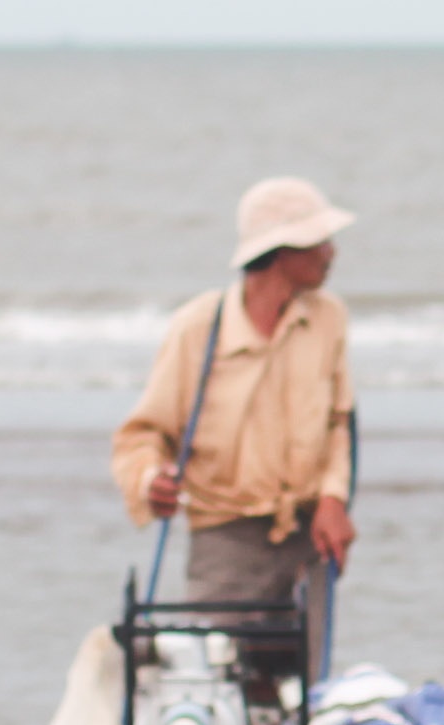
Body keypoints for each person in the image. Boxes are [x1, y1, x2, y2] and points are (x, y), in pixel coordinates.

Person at [112, 176, 359, 615]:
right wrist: (152, 481)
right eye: (320, 241)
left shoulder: (328, 319)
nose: (332, 253)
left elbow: (340, 424)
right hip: (224, 537)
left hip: (309, 536)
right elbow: (143, 434)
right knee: (217, 676)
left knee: (303, 679)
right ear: (284, 252)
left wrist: (333, 500)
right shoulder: (199, 328)